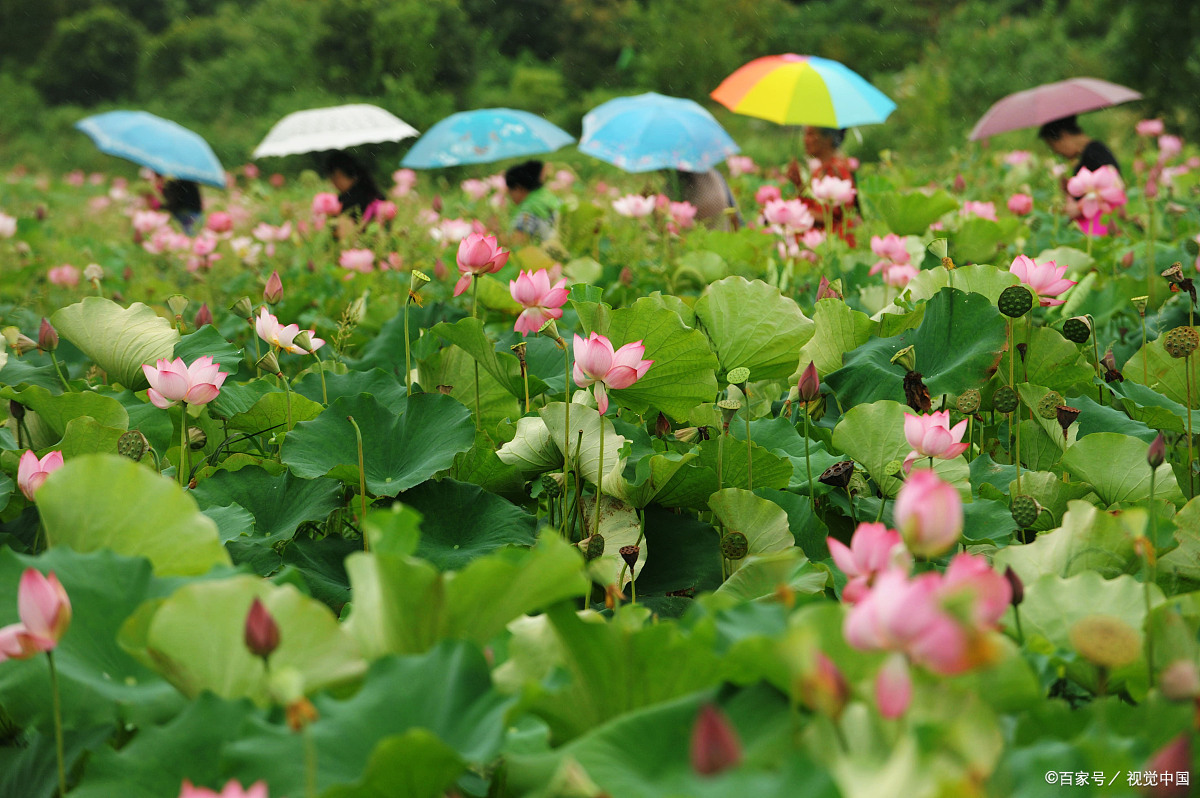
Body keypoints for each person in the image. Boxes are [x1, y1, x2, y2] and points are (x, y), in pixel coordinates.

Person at [787, 126, 859, 244]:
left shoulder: (836, 169)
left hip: (834, 242)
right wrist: (798, 184)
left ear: (828, 139)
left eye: (810, 135)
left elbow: (830, 215)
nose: (805, 140)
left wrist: (792, 214)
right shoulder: (820, 170)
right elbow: (814, 204)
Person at [1038, 115, 1121, 176]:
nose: (1056, 152)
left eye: (1052, 146)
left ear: (1064, 136)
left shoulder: (1094, 154)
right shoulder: (1093, 151)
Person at [505, 160, 563, 244]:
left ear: (518, 188)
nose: (510, 197)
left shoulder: (527, 210)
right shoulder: (554, 199)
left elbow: (517, 244)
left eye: (510, 192)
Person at [673, 168, 742, 231]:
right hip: (722, 232)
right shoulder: (714, 174)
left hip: (700, 234)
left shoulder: (674, 182)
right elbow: (734, 210)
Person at [325, 151, 384, 219]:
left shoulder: (350, 201)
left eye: (333, 177)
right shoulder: (371, 192)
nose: (333, 183)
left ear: (339, 173)